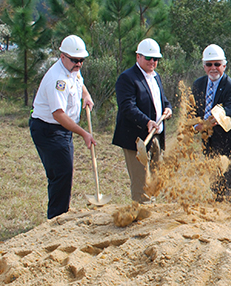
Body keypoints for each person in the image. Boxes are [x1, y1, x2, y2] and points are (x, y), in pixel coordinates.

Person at [30, 35, 96, 219]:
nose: (79, 64)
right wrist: (83, 133)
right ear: (62, 56)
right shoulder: (57, 79)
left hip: (63, 130)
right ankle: (56, 219)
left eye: (81, 60)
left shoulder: (72, 69)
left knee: (65, 172)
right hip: (48, 130)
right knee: (61, 174)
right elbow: (58, 114)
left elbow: (79, 82)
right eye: (75, 60)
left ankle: (60, 215)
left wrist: (87, 96)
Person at [112, 38, 173, 203]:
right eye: (148, 58)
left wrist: (168, 108)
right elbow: (127, 107)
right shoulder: (127, 78)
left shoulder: (155, 77)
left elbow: (161, 100)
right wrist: (147, 121)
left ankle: (150, 210)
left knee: (155, 178)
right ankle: (140, 214)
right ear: (138, 57)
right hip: (136, 138)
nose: (152, 62)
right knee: (141, 180)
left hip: (155, 136)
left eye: (156, 59)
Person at [191, 44, 231, 202]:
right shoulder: (198, 85)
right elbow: (193, 110)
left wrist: (216, 118)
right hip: (211, 145)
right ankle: (218, 223)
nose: (213, 68)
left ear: (224, 65)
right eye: (209, 64)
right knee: (217, 188)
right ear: (204, 66)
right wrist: (196, 126)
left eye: (217, 64)